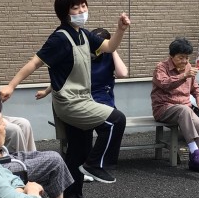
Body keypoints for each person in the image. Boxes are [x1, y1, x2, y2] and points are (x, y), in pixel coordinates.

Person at [0, 0, 130, 198]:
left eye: (83, 6)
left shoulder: (83, 34)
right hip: (69, 103)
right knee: (116, 120)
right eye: (75, 8)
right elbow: (35, 62)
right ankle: (96, 164)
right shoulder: (59, 38)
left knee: (78, 151)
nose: (81, 11)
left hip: (83, 99)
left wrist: (120, 30)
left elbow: (109, 46)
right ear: (64, 13)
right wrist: (11, 86)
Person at [36, 27, 129, 170]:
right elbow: (66, 78)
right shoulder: (83, 56)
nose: (95, 50)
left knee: (113, 124)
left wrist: (112, 49)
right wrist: (46, 91)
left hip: (102, 101)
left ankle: (93, 164)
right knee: (79, 142)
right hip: (79, 100)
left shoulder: (108, 57)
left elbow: (122, 73)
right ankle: (81, 169)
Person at [151, 37, 199, 174]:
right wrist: (183, 76)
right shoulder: (161, 67)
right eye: (181, 57)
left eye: (187, 57)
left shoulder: (189, 67)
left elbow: (195, 87)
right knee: (184, 110)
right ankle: (196, 153)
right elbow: (165, 84)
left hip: (184, 110)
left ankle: (196, 161)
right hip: (164, 108)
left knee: (198, 123)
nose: (184, 61)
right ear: (171, 56)